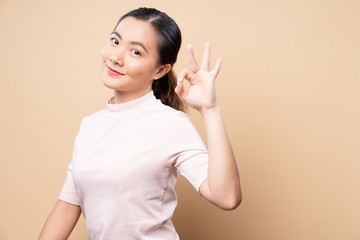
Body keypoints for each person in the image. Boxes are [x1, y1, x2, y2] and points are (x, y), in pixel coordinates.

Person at [39, 7, 241, 240]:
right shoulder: (90, 126)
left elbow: (227, 197)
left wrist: (210, 109)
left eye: (135, 51)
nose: (115, 57)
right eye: (115, 41)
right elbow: (67, 207)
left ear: (160, 70)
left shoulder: (171, 124)